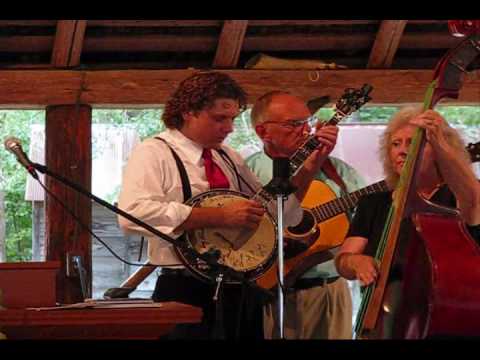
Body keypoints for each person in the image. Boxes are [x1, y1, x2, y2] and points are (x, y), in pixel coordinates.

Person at [117, 72, 333, 340]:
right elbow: (132, 214)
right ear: (188, 112)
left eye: (232, 118)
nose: (229, 128)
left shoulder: (227, 156)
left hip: (238, 288)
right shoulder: (154, 152)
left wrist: (311, 165)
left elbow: (281, 214)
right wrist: (218, 216)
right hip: (185, 288)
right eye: (219, 118)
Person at [334, 106, 480, 338]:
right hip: (382, 320)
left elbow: (473, 202)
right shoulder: (374, 203)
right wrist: (355, 262)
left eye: (413, 143)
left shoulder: (458, 197)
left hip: (447, 317)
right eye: (396, 144)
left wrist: (440, 141)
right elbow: (343, 261)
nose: (402, 151)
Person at [246, 90, 366, 339]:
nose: (306, 131)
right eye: (294, 124)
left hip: (330, 292)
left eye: (308, 123)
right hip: (270, 294)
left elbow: (366, 223)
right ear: (263, 132)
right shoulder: (247, 172)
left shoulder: (337, 171)